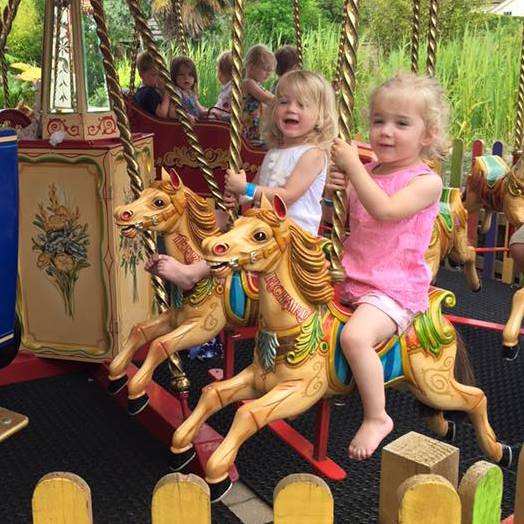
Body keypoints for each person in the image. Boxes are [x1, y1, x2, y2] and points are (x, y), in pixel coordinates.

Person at [325, 71, 449, 461]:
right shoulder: (367, 173)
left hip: (392, 288)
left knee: (354, 338)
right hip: (353, 274)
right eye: (379, 120)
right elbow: (343, 218)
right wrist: (333, 192)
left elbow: (384, 210)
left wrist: (352, 168)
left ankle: (377, 416)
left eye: (401, 123)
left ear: (427, 134)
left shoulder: (425, 182)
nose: (386, 131)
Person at [146, 69, 338, 284]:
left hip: (292, 234)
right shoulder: (274, 152)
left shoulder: (312, 154)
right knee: (220, 221)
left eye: (302, 105)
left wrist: (245, 188)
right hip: (266, 227)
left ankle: (193, 274)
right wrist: (239, 197)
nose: (291, 109)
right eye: (284, 102)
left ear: (320, 116)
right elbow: (256, 187)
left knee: (237, 240)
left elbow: (287, 196)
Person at [242, 44, 276, 146]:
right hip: (250, 130)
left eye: (270, 71)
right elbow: (267, 98)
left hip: (258, 128)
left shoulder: (257, 85)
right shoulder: (248, 83)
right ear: (251, 67)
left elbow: (272, 97)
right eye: (266, 69)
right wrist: (285, 101)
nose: (268, 74)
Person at [169, 56, 207, 122]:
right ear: (174, 77)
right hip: (185, 125)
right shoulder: (177, 92)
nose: (186, 78)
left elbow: (200, 110)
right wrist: (186, 116)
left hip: (195, 123)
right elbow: (172, 113)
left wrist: (211, 111)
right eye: (181, 74)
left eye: (190, 74)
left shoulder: (191, 93)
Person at [134, 51, 170, 118]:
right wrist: (167, 93)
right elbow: (162, 113)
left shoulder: (143, 91)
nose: (158, 78)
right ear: (141, 75)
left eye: (160, 75)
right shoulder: (148, 93)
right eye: (153, 75)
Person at [209, 51, 233, 120]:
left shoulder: (231, 89)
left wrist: (217, 113)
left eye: (217, 70)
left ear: (221, 72)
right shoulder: (226, 87)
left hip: (224, 119)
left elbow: (228, 109)